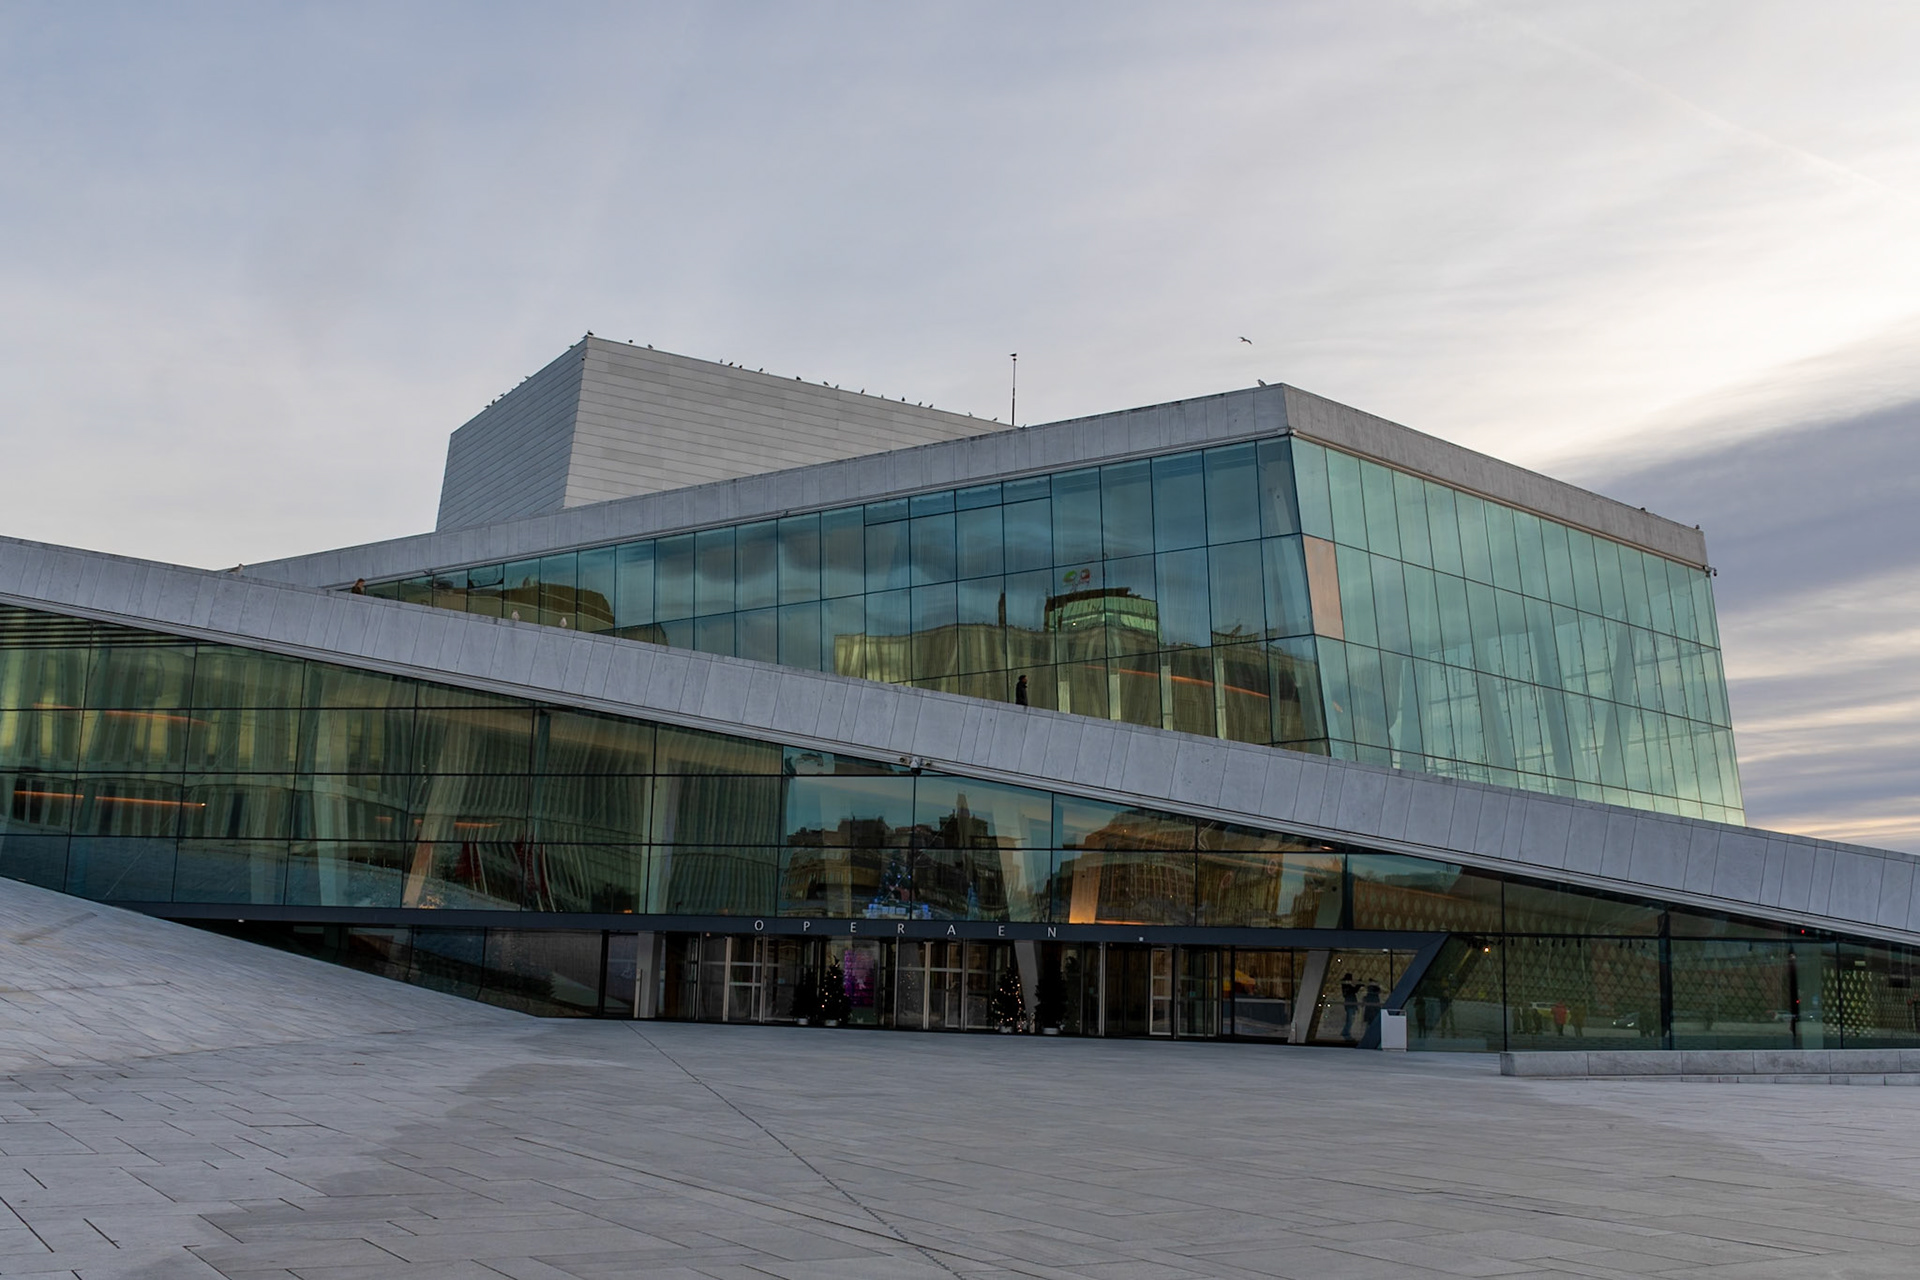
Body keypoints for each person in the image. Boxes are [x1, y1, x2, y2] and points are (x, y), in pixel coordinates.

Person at [1340, 972, 1360, 1038]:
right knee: (1350, 1020)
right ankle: (1345, 1032)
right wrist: (1359, 984)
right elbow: (1354, 990)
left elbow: (1354, 990)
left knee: (1350, 1020)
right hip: (1350, 1004)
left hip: (1350, 1004)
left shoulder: (1345, 986)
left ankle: (1346, 1031)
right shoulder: (1347, 986)